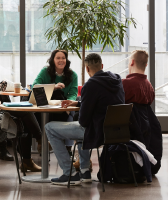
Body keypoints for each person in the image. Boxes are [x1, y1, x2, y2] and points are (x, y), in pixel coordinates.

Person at [45, 53, 125, 185]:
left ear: (87, 68)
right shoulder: (116, 80)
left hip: (97, 133)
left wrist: (82, 108)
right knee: (83, 128)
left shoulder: (90, 85)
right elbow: (103, 103)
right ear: (102, 66)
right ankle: (85, 171)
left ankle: (68, 173)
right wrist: (78, 103)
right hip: (115, 132)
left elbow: (84, 121)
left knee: (50, 127)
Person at [32, 49, 79, 152]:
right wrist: (54, 87)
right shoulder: (45, 71)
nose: (61, 60)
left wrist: (68, 103)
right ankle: (43, 140)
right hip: (45, 105)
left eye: (63, 58)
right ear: (53, 60)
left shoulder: (73, 75)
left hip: (62, 106)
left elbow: (73, 94)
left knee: (70, 114)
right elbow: (35, 86)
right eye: (58, 58)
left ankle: (67, 150)